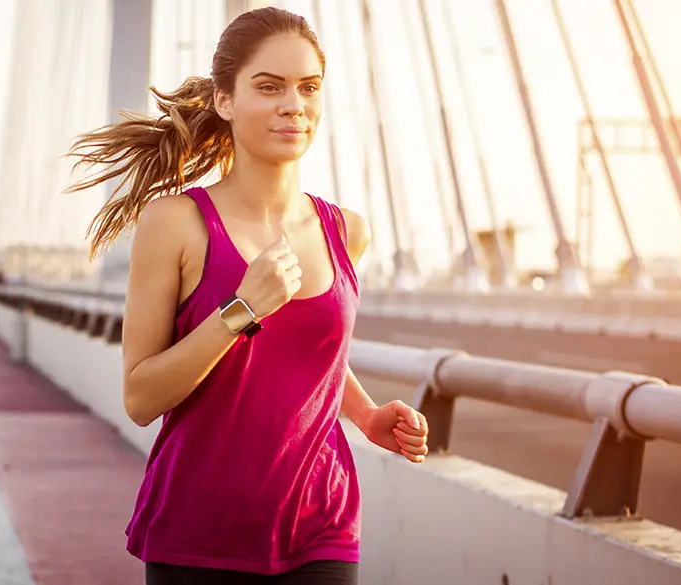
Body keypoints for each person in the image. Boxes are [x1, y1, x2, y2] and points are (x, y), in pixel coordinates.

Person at [65, 6, 430, 585]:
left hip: (321, 525)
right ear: (225, 100)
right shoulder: (177, 223)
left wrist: (364, 413)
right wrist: (241, 310)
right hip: (198, 534)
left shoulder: (346, 231)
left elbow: (306, 351)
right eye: (269, 87)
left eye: (308, 87)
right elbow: (140, 396)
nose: (294, 105)